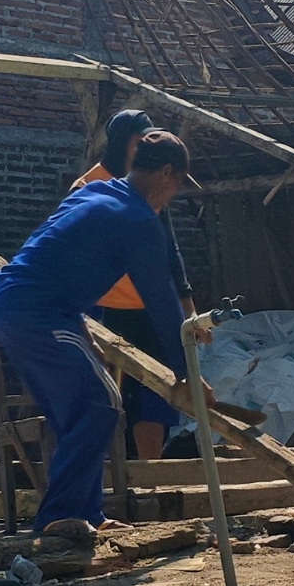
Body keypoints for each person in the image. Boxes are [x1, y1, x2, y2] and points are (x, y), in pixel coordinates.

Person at [0, 130, 212, 535]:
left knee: (75, 413)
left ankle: (85, 515)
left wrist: (83, 325)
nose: (174, 195)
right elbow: (163, 307)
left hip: (12, 305)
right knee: (101, 401)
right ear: (165, 173)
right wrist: (187, 375)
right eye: (178, 183)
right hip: (39, 311)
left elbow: (70, 257)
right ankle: (61, 515)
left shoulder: (93, 194)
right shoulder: (139, 220)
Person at [73, 109, 203, 461]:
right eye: (137, 140)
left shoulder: (152, 188)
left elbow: (170, 251)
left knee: (156, 392)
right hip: (104, 309)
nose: (141, 148)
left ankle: (152, 472)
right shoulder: (89, 187)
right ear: (121, 144)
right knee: (108, 392)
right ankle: (110, 471)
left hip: (146, 307)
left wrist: (188, 310)